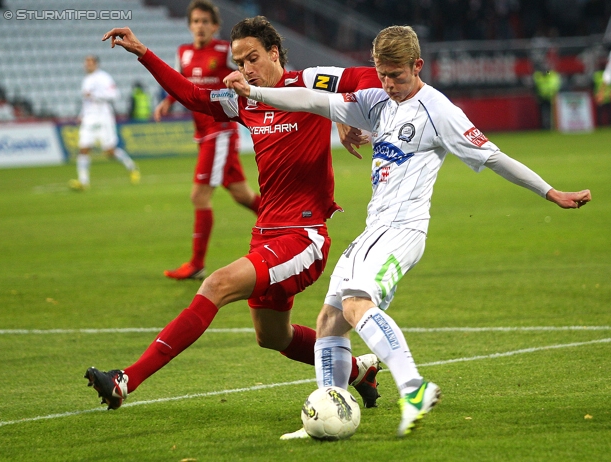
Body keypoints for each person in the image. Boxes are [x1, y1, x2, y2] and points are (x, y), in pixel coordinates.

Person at [224, 25, 592, 438]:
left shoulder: (439, 110)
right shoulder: (378, 100)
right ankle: (329, 410)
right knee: (328, 320)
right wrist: (254, 93)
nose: (389, 84)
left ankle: (413, 387)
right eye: (382, 74)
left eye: (397, 75)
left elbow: (494, 158)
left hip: (403, 228)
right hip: (375, 228)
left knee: (355, 303)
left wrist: (550, 192)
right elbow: (312, 99)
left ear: (417, 66)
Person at [85, 17, 384, 415]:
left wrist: (349, 116)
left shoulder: (310, 81)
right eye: (239, 61)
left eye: (253, 58)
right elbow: (193, 96)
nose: (245, 68)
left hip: (303, 236)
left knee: (217, 283)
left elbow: (367, 77)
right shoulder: (246, 98)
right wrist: (143, 53)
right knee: (273, 338)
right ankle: (357, 371)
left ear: (274, 53)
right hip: (265, 234)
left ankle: (127, 380)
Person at [155, 0, 261, 280]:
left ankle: (197, 263)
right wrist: (167, 101)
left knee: (199, 196)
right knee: (242, 195)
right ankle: (287, 222)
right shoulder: (184, 53)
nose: (200, 26)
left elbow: (247, 77)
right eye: (195, 21)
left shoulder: (225, 52)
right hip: (203, 134)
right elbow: (181, 81)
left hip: (220, 132)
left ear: (215, 26)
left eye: (205, 21)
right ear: (189, 25)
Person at [69, 55, 140, 191]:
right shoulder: (86, 80)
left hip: (103, 118)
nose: (87, 65)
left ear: (96, 64)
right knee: (83, 148)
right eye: (86, 63)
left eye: (90, 63)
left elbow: (115, 95)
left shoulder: (104, 77)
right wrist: (81, 115)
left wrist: (96, 96)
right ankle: (83, 182)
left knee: (109, 152)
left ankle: (131, 167)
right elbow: (86, 101)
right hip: (89, 119)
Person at [533, 63, 561, 130]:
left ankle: (552, 126)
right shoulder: (538, 75)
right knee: (543, 113)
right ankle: (544, 126)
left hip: (550, 97)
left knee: (551, 113)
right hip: (541, 97)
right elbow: (535, 86)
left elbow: (555, 85)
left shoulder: (550, 75)